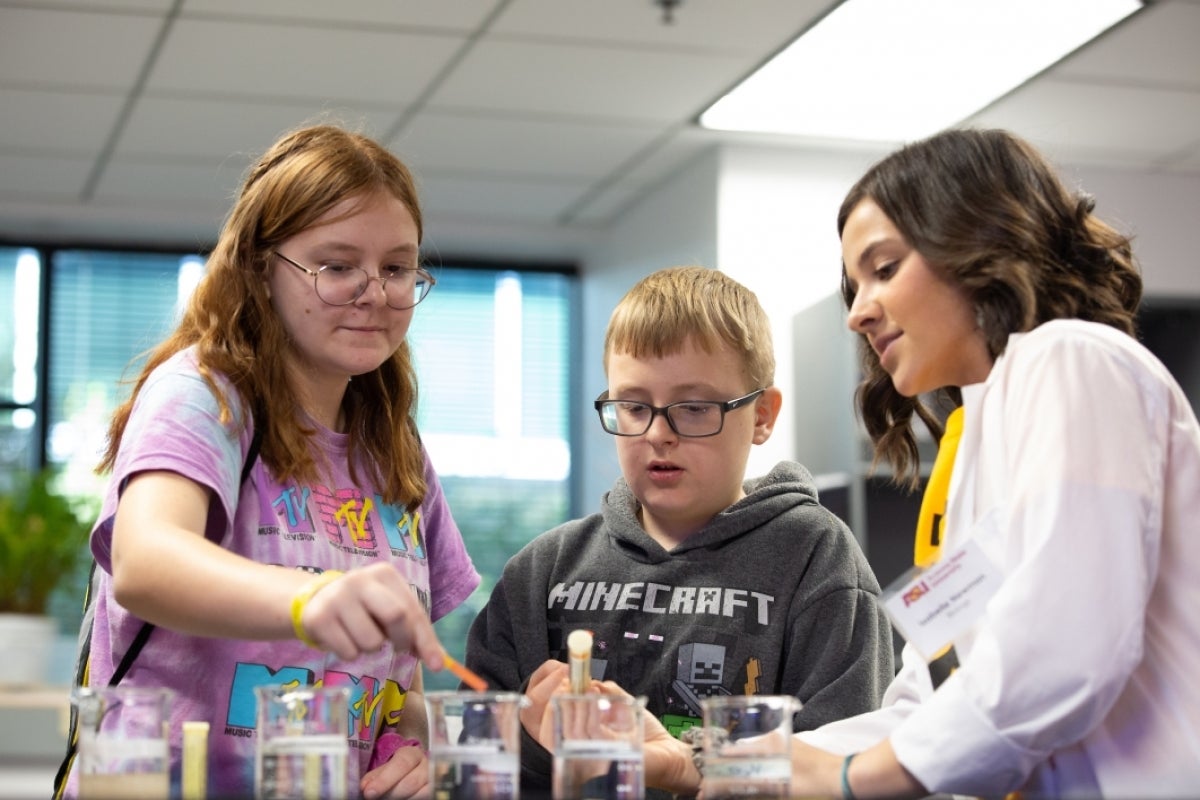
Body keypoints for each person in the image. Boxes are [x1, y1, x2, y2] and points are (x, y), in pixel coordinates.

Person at [61, 123, 481, 800]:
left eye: (397, 268)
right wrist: (309, 597)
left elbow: (398, 682)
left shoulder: (395, 447)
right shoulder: (203, 395)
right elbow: (144, 561)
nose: (373, 292)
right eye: (337, 265)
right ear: (261, 270)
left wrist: (413, 752)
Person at [789, 127, 1200, 798]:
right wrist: (724, 760)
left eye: (884, 268)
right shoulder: (977, 436)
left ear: (975, 243)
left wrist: (850, 781)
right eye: (853, 285)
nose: (857, 314)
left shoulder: (1072, 359)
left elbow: (1059, 652)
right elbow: (936, 697)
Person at [464, 266, 895, 797]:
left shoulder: (814, 556)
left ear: (762, 415)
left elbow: (845, 760)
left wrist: (696, 768)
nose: (658, 434)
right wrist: (535, 740)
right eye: (634, 407)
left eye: (693, 409)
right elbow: (472, 753)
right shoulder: (544, 570)